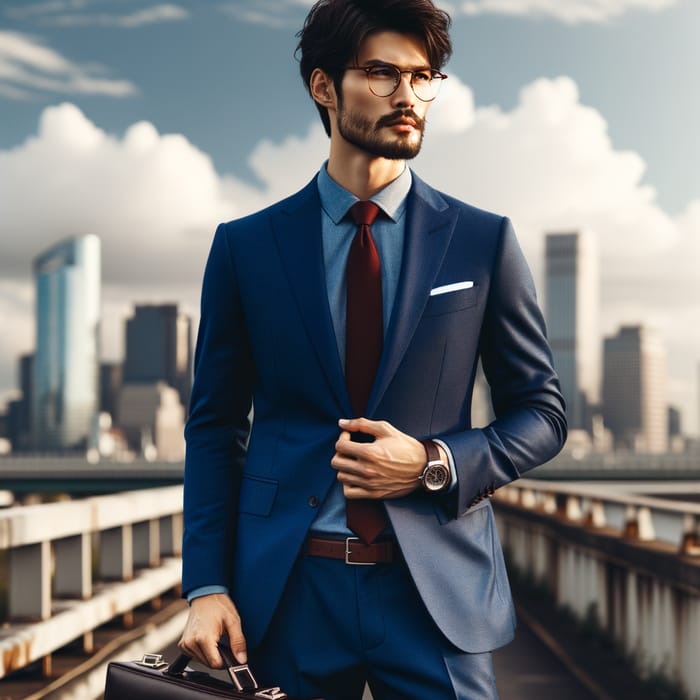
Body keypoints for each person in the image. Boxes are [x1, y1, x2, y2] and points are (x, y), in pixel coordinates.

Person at [178, 0, 567, 697]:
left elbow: (542, 413)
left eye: (424, 78)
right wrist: (206, 584)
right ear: (323, 87)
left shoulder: (483, 241)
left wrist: (432, 464)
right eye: (383, 75)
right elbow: (213, 428)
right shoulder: (245, 248)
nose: (408, 97)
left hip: (436, 595)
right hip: (289, 593)